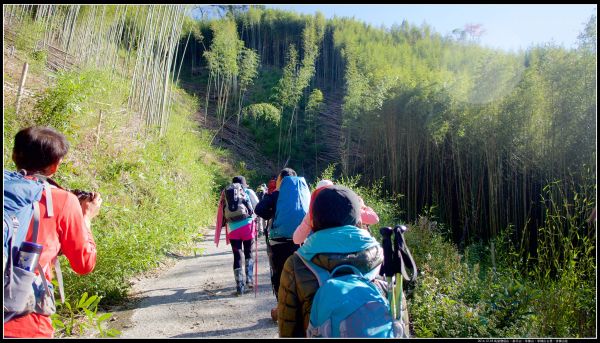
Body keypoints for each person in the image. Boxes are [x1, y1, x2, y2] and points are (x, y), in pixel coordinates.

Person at [4, 126, 102, 338]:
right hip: (25, 321)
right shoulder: (61, 200)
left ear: (13, 155)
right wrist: (86, 218)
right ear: (54, 166)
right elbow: (84, 263)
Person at [277, 185, 385, 337]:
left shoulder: (297, 264)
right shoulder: (380, 256)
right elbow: (397, 318)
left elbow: (289, 328)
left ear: (314, 218)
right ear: (357, 217)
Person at [255, 168, 310, 321]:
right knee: (301, 274)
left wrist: (271, 196)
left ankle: (283, 309)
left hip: (279, 242)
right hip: (303, 242)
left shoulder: (278, 194)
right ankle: (302, 309)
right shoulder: (304, 191)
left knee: (280, 275)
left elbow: (260, 210)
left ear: (281, 180)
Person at [292, 180, 380, 245]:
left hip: (323, 249)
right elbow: (374, 219)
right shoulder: (346, 205)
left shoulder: (312, 212)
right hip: (348, 246)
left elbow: (297, 239)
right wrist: (363, 206)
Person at [215, 176, 258, 296]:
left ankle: (240, 287)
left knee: (237, 255)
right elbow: (257, 207)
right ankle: (249, 280)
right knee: (248, 252)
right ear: (244, 184)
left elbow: (221, 210)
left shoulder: (226, 192)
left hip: (233, 228)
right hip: (247, 226)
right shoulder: (248, 191)